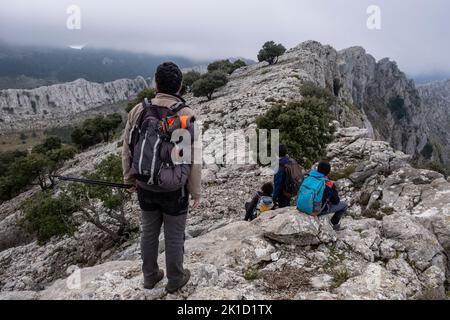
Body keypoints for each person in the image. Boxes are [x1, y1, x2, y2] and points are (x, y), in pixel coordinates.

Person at [122, 62, 201, 293]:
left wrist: (130, 179)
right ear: (180, 86)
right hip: (174, 189)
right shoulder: (185, 114)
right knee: (175, 235)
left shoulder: (138, 110)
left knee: (149, 232)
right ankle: (175, 278)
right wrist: (195, 191)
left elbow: (127, 148)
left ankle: (150, 276)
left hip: (144, 183)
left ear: (156, 83)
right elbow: (192, 157)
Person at [317, 161, 347, 231]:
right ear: (328, 172)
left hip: (303, 206)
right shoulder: (328, 183)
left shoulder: (309, 178)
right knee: (344, 205)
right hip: (316, 210)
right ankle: (334, 225)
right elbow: (336, 201)